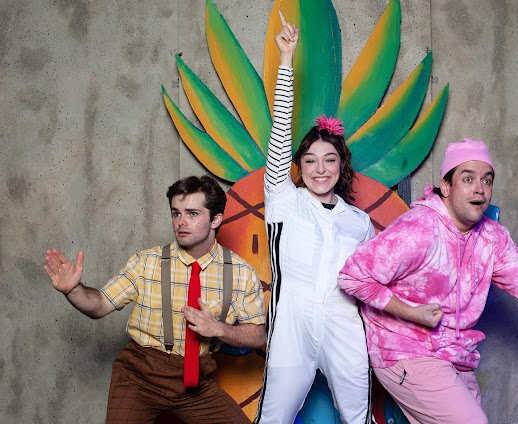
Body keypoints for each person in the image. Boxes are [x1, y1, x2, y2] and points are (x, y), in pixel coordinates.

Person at [338, 139, 518, 424]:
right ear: (445, 186)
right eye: (468, 179)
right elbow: (353, 276)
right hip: (404, 349)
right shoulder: (419, 229)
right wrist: (412, 312)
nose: (479, 188)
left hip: (456, 355)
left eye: (487, 180)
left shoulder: (492, 238)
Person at [44, 175, 266, 424]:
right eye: (176, 213)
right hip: (139, 376)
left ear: (215, 219)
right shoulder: (147, 262)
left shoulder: (241, 273)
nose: (181, 222)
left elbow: (257, 335)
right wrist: (73, 290)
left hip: (196, 381)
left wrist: (218, 329)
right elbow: (100, 305)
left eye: (192, 214)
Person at [254, 12, 375, 424]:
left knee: (358, 418)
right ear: (298, 165)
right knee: (273, 419)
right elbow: (279, 133)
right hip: (292, 327)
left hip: (345, 327)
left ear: (342, 164)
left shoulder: (359, 222)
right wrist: (286, 60)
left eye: (329, 159)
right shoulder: (283, 200)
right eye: (309, 160)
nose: (320, 169)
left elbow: (375, 282)